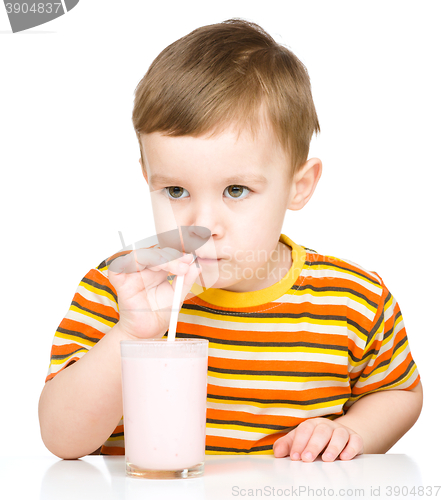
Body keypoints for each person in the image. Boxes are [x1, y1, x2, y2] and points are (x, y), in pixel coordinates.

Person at [38, 18, 423, 462]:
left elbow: (400, 393)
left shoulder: (354, 299)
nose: (203, 224)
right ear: (148, 178)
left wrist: (353, 431)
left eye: (235, 191)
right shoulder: (121, 288)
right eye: (176, 191)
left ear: (299, 185)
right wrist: (132, 332)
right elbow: (61, 440)